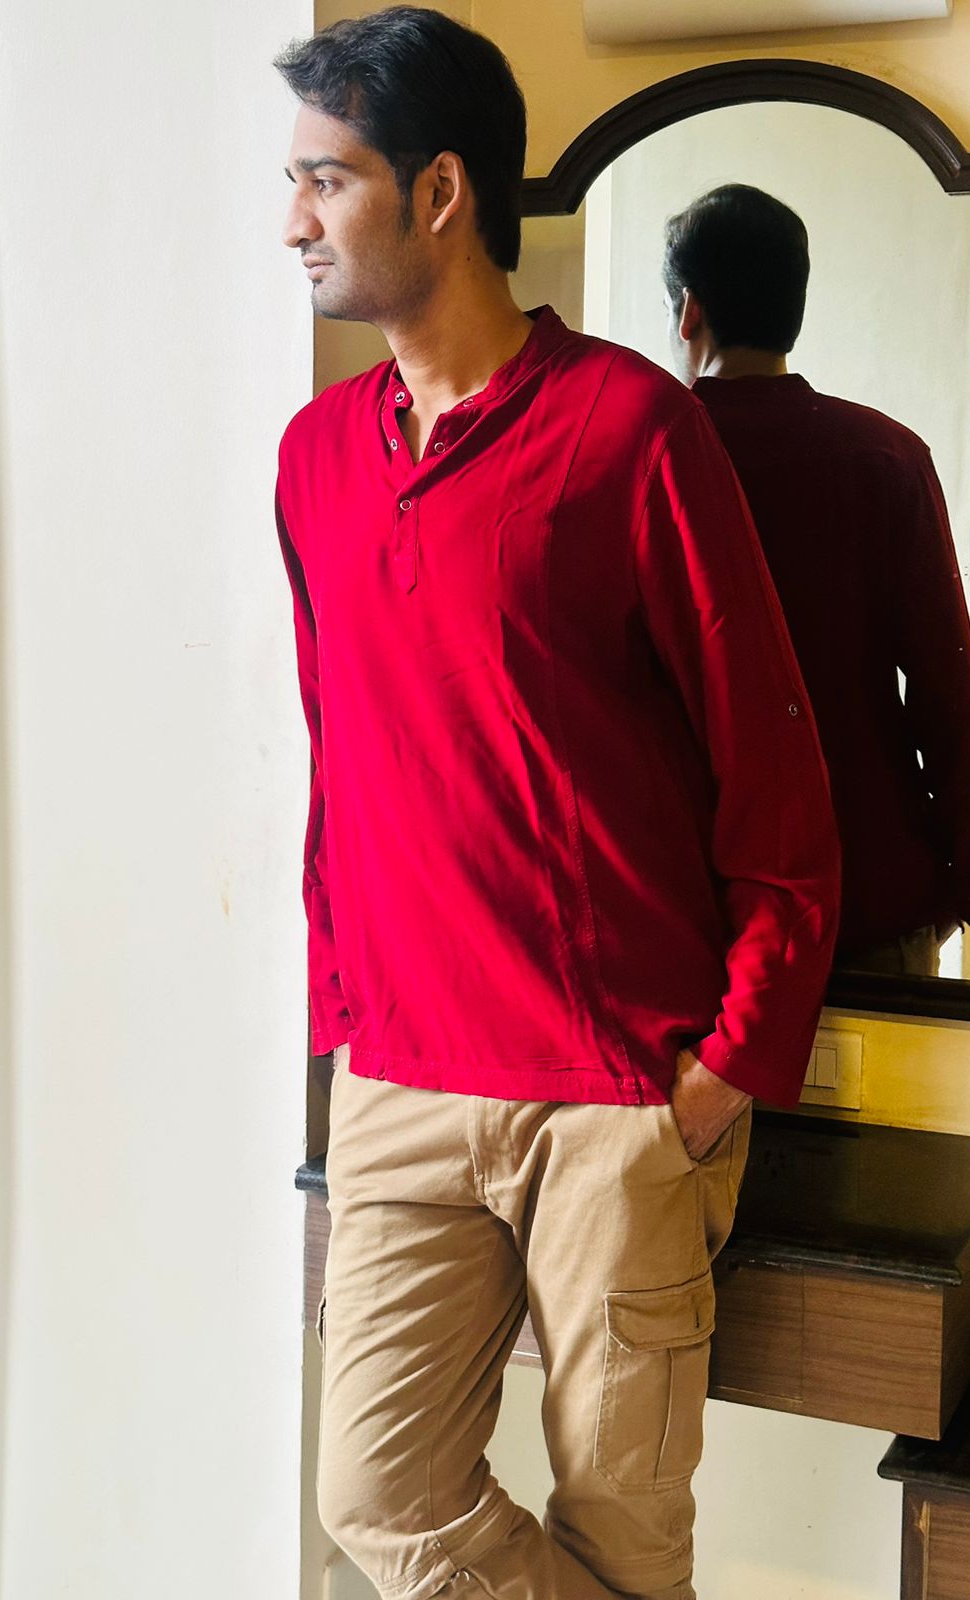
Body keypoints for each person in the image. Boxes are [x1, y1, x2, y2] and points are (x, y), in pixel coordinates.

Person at [274, 14, 839, 1599]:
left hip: (614, 1100)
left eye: (326, 179)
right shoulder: (316, 460)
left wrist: (721, 1071)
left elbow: (774, 772)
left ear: (441, 192)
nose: (292, 220)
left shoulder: (631, 430)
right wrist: (343, 1013)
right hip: (399, 1081)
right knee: (376, 1498)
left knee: (626, 1542)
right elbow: (340, 755)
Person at [664, 184, 970, 977]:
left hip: (696, 908)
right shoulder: (886, 457)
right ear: (796, 304)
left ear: (689, 311)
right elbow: (948, 688)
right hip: (869, 888)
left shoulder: (641, 461)